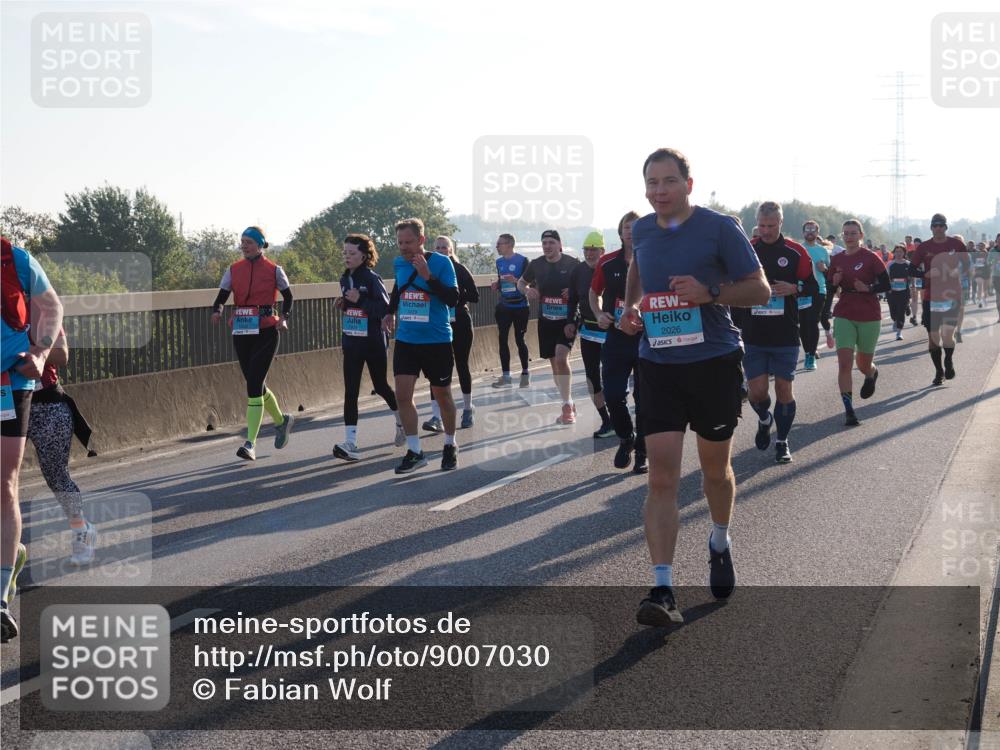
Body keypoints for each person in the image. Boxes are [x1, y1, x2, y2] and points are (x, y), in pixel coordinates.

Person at [618, 148, 770, 626]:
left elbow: (760, 289)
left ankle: (719, 539)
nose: (658, 191)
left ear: (688, 183)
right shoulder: (641, 229)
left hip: (713, 362)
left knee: (714, 470)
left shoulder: (720, 227)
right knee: (661, 477)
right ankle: (662, 588)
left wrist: (711, 293)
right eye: (651, 182)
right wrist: (630, 307)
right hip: (658, 364)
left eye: (667, 181)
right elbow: (638, 270)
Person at [2, 236, 64, 643]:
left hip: (8, 380)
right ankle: (12, 555)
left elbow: (52, 306)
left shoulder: (16, 260)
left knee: (2, 483)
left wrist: (41, 354)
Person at [383, 218, 460, 473]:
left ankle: (450, 444)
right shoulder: (398, 263)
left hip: (436, 340)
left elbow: (453, 298)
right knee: (402, 396)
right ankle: (415, 451)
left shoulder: (442, 262)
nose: (404, 247)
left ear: (421, 240)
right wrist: (390, 311)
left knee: (443, 395)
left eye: (409, 242)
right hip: (406, 339)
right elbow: (400, 289)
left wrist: (428, 276)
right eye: (400, 242)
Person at [211, 226, 295, 461]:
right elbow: (221, 297)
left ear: (260, 244)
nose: (244, 245)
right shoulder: (233, 269)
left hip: (267, 330)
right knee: (254, 383)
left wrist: (284, 319)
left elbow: (288, 297)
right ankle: (281, 421)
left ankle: (250, 443)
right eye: (242, 241)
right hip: (242, 330)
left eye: (248, 242)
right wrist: (217, 311)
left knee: (254, 384)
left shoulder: (274, 270)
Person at [743, 202, 818, 464]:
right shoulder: (747, 249)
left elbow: (813, 286)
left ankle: (782, 441)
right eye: (761, 225)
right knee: (757, 392)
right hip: (753, 333)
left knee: (785, 389)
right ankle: (765, 419)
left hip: (785, 332)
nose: (765, 231)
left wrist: (794, 288)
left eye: (771, 226)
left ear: (780, 223)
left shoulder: (795, 252)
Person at [27, 329, 97, 563]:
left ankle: (82, 531)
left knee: (57, 478)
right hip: (7, 403)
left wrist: (24, 351)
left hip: (46, 405)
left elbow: (61, 355)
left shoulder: (42, 313)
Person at [332, 234, 404, 462]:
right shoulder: (345, 279)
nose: (347, 257)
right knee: (350, 391)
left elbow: (384, 309)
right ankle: (350, 442)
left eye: (352, 253)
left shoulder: (372, 279)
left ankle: (401, 419)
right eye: (345, 253)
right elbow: (353, 307)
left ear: (364, 256)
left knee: (381, 386)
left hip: (373, 342)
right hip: (352, 342)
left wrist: (359, 300)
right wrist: (343, 303)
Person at [590, 211, 647, 473]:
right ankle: (626, 438)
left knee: (645, 398)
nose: (630, 231)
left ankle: (643, 453)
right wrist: (599, 313)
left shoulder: (654, 259)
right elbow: (594, 293)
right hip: (616, 337)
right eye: (626, 227)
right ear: (620, 231)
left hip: (648, 338)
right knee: (613, 395)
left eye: (635, 227)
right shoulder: (607, 262)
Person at [823, 219, 890, 426]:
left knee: (862, 364)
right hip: (844, 312)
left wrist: (869, 288)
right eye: (846, 233)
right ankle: (849, 410)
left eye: (853, 233)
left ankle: (871, 373)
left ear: (861, 235)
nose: (849, 236)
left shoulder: (871, 258)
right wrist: (833, 284)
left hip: (869, 314)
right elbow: (830, 287)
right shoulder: (837, 259)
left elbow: (886, 284)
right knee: (845, 363)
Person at [518, 230, 580, 425]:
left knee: (561, 358)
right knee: (555, 365)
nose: (547, 246)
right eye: (544, 243)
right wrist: (527, 290)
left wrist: (573, 291)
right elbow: (521, 282)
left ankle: (566, 407)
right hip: (546, 321)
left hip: (567, 320)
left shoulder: (572, 264)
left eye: (551, 242)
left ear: (559, 244)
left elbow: (587, 286)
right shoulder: (536, 265)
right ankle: (567, 400)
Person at [422, 236, 479, 431]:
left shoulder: (460, 269)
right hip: (438, 323)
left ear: (451, 250)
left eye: (444, 247)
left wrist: (453, 297)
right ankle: (435, 416)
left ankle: (468, 408)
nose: (440, 250)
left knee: (462, 365)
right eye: (437, 247)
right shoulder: (428, 269)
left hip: (460, 322)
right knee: (436, 369)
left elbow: (475, 296)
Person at [910, 215, 968, 385]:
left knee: (947, 336)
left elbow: (967, 265)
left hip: (952, 295)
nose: (938, 228)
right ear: (931, 228)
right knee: (934, 338)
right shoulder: (924, 247)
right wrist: (925, 274)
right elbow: (911, 269)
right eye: (935, 225)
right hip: (931, 297)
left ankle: (948, 360)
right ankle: (939, 371)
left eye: (941, 225)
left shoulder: (957, 245)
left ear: (945, 227)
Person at [566, 231, 613, 438]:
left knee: (613, 378)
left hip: (612, 332)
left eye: (594, 249)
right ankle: (607, 421)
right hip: (588, 332)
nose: (589, 253)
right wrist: (570, 321)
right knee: (592, 379)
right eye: (586, 249)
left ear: (602, 251)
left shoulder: (611, 268)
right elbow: (572, 299)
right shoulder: (578, 271)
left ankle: (622, 416)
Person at [490, 234, 530, 389]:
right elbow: (501, 280)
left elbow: (531, 282)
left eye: (499, 244)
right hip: (504, 306)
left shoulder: (523, 260)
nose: (497, 247)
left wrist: (516, 280)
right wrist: (497, 284)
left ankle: (525, 373)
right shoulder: (499, 262)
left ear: (509, 244)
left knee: (520, 339)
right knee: (502, 339)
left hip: (520, 306)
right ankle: (506, 376)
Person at [799, 219, 832, 366]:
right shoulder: (798, 249)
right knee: (804, 324)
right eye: (807, 230)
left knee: (813, 322)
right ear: (803, 232)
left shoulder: (823, 251)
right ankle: (807, 352)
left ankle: (811, 356)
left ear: (817, 233)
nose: (810, 232)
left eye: (813, 230)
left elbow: (830, 274)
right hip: (801, 291)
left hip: (819, 290)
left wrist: (824, 269)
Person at [886, 244, 912, 340]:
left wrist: (911, 285)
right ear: (894, 253)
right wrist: (888, 286)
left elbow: (911, 277)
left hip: (904, 291)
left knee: (901, 311)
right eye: (896, 252)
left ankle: (899, 332)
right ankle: (895, 320)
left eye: (900, 252)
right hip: (891, 291)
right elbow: (886, 277)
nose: (898, 254)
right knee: (893, 311)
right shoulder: (890, 264)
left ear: (904, 253)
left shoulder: (908, 264)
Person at [972, 241, 989, 307]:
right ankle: (979, 301)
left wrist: (988, 263)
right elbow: (972, 262)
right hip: (978, 272)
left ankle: (984, 299)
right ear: (978, 247)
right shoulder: (975, 254)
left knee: (985, 288)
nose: (981, 247)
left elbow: (991, 261)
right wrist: (974, 270)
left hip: (986, 271)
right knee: (980, 285)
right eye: (979, 246)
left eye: (982, 246)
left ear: (985, 246)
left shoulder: (988, 254)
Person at [989, 237, 1000, 322]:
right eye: (999, 240)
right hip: (997, 276)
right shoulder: (992, 251)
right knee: (998, 297)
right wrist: (994, 261)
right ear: (996, 241)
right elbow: (988, 262)